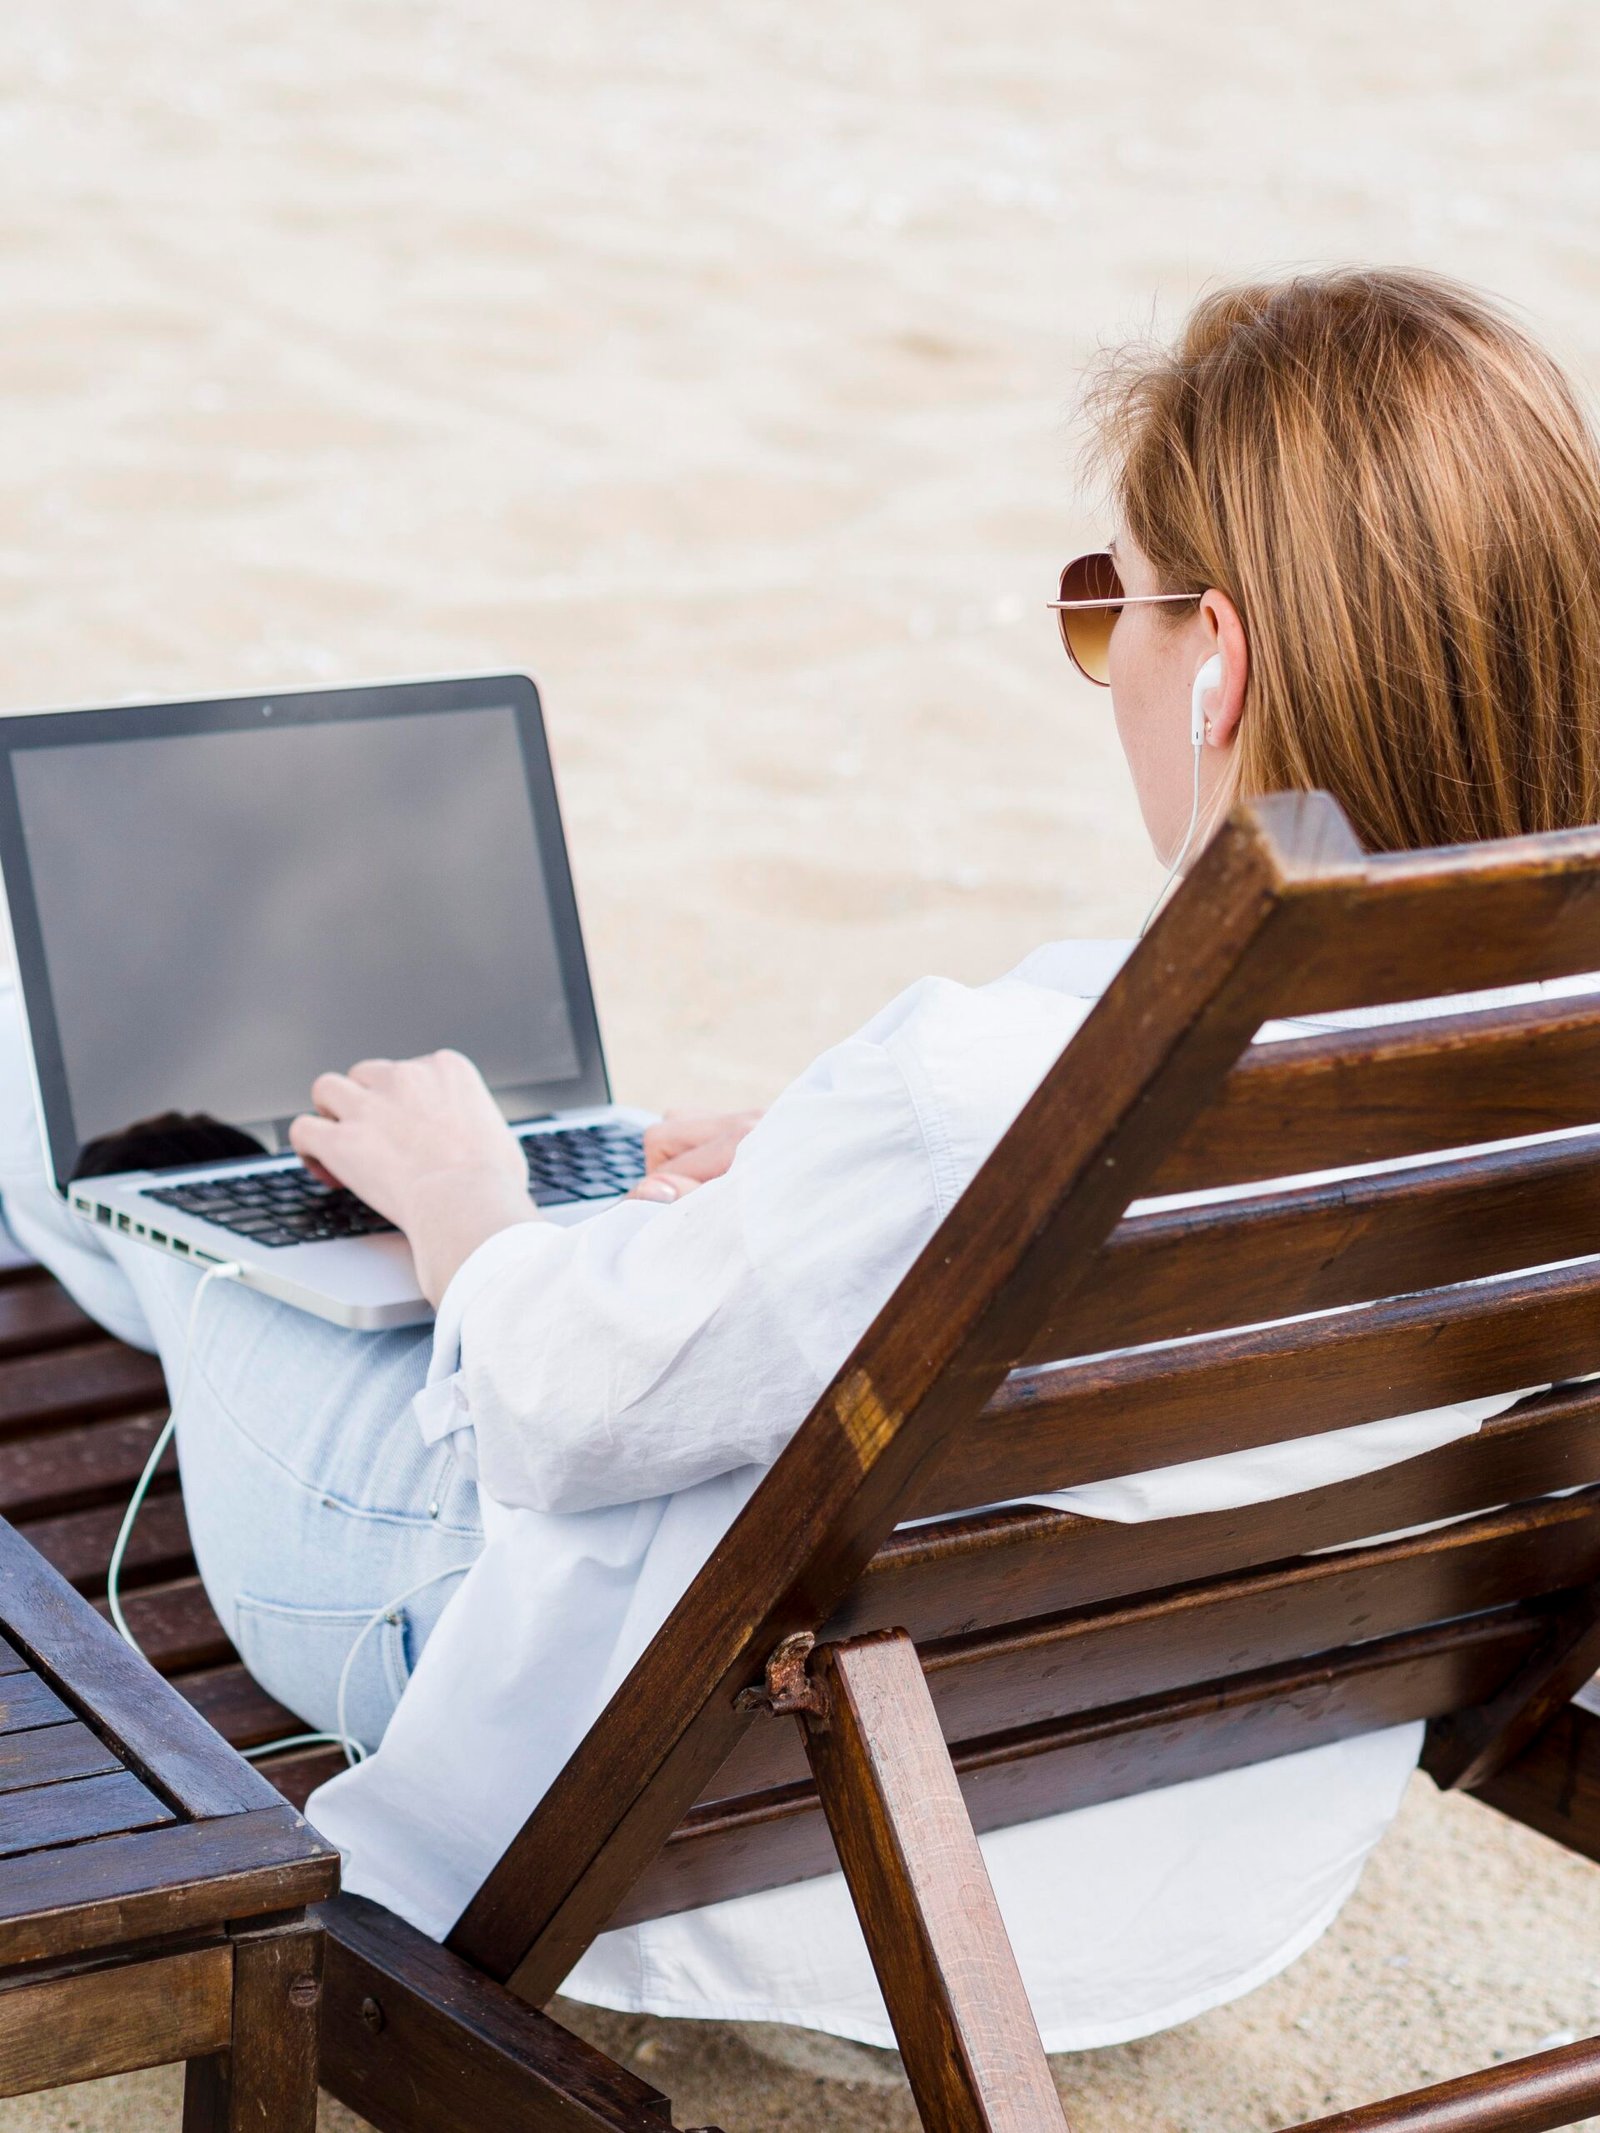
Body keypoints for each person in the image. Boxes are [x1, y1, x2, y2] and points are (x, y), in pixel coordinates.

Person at [5, 266, 1600, 2052]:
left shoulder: (982, 1085)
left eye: (1107, 609)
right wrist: (838, 1188)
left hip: (736, 1844)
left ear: (1216, 653)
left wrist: (471, 1207)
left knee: (89, 1118)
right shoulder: (1538, 1057)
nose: (1110, 668)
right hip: (1182, 1861)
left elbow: (556, 1411)